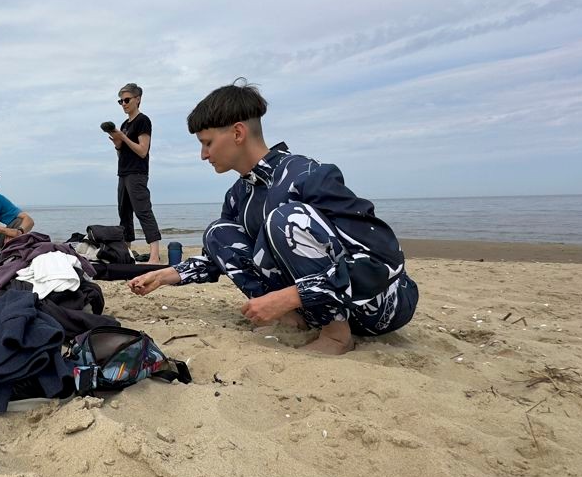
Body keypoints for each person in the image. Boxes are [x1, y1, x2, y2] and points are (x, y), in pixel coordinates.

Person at [128, 81, 418, 355]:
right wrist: (166, 275)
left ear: (238, 133)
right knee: (218, 232)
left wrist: (289, 296)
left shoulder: (307, 175)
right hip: (315, 303)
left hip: (377, 307)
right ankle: (292, 320)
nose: (203, 155)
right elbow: (224, 257)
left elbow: (384, 260)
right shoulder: (238, 194)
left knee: (286, 218)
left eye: (207, 143)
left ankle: (336, 336)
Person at [107, 82, 162, 264]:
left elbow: (142, 151)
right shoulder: (124, 124)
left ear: (137, 99)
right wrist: (117, 143)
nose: (123, 104)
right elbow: (121, 153)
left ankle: (154, 255)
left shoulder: (142, 121)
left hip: (137, 173)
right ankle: (127, 252)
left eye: (127, 100)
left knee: (143, 211)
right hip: (123, 172)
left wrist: (123, 138)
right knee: (124, 213)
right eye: (120, 101)